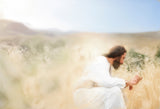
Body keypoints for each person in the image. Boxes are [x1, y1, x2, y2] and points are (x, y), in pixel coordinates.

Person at [73, 45, 142, 109]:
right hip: (84, 96)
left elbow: (104, 83)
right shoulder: (100, 61)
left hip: (90, 95)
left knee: (116, 92)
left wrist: (127, 83)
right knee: (115, 91)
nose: (122, 62)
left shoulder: (105, 63)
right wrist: (127, 82)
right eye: (123, 58)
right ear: (117, 56)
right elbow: (106, 82)